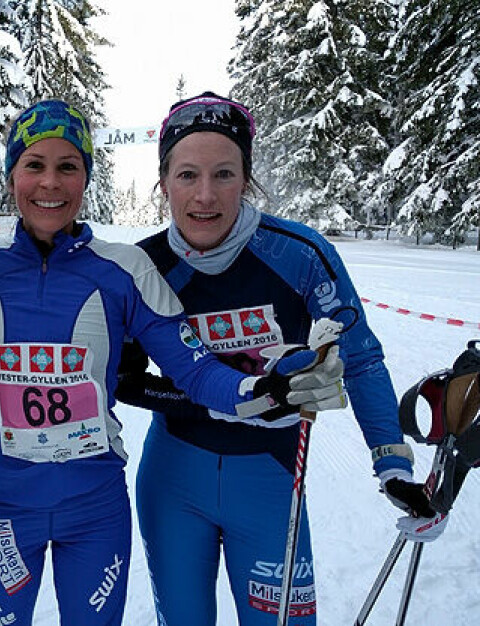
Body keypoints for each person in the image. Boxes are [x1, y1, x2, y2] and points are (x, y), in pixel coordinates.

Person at [0, 99, 346, 626]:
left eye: (68, 166)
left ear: (86, 177)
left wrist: (263, 390)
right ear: (12, 174)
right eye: (34, 165)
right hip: (3, 505)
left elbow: (193, 367)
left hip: (94, 511)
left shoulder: (123, 268)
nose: (50, 183)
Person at [114, 91, 444, 626]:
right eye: (186, 175)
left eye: (223, 174)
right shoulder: (143, 266)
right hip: (174, 478)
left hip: (268, 479)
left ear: (246, 178)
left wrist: (392, 463)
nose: (205, 196)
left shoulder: (297, 253)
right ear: (163, 182)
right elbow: (123, 380)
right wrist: (213, 403)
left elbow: (359, 358)